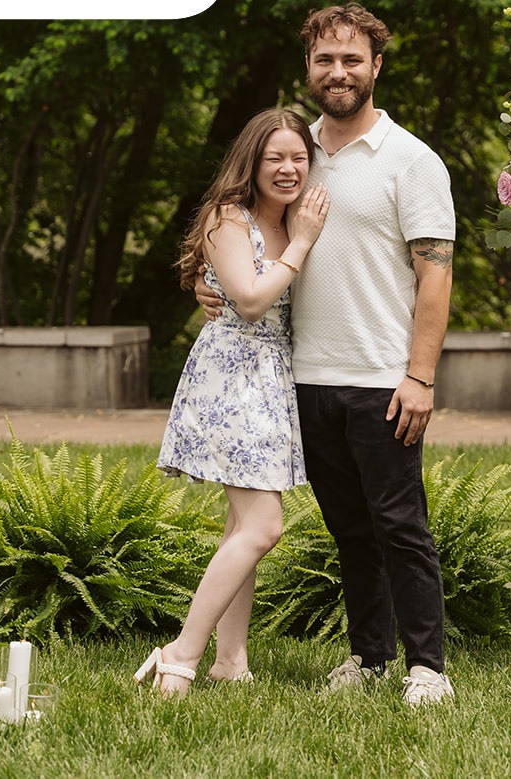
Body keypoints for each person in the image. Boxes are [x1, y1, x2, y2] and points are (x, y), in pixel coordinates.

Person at [196, 4, 457, 705]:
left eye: (352, 59)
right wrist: (209, 280)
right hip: (302, 376)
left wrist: (420, 375)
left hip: (384, 376)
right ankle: (369, 655)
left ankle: (427, 666)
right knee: (349, 528)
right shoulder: (291, 150)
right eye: (324, 60)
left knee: (400, 524)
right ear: (308, 67)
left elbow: (435, 272)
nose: (337, 72)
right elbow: (244, 230)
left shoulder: (412, 160)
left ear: (376, 65)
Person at [134, 107, 330, 697]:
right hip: (232, 375)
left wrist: (298, 238)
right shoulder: (230, 216)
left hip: (272, 378)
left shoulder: (296, 219)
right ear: (252, 162)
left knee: (242, 524)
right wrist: (300, 246)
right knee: (264, 525)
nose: (289, 168)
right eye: (275, 158)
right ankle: (180, 654)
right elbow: (247, 300)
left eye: (299, 157)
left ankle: (231, 660)